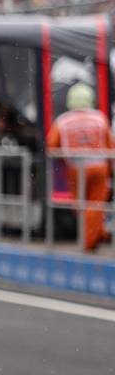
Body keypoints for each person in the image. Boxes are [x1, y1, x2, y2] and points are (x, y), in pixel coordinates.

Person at [47, 83, 114, 251]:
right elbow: (110, 145)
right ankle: (94, 235)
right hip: (99, 167)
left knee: (80, 204)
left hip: (76, 169)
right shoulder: (100, 118)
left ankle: (91, 238)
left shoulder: (62, 121)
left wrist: (64, 159)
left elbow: (51, 145)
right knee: (96, 204)